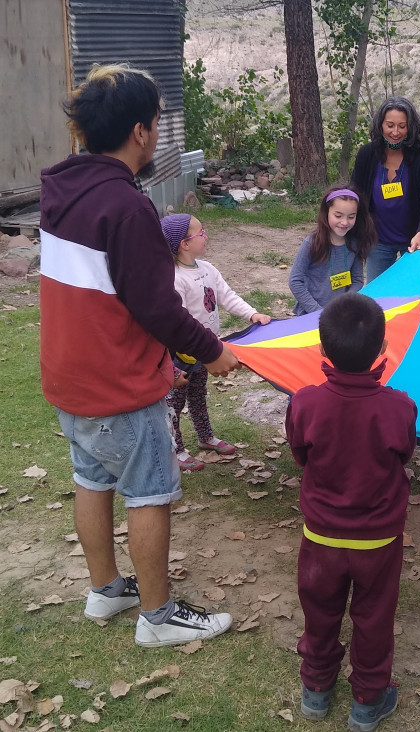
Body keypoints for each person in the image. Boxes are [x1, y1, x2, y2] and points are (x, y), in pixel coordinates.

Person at [39, 64, 240, 647]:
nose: (155, 133)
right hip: (118, 381)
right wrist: (211, 350)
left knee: (91, 479)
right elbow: (156, 307)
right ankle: (158, 616)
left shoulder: (61, 190)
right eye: (155, 123)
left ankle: (105, 590)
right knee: (150, 489)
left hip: (68, 377)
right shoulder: (127, 209)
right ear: (141, 132)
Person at [285, 293, 417, 732]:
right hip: (378, 540)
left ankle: (316, 691)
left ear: (322, 350)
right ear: (382, 350)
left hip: (320, 537)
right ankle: (367, 701)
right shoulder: (400, 407)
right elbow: (404, 456)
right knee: (374, 618)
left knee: (319, 612)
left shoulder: (304, 403)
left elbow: (301, 455)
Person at [160, 214, 271, 471]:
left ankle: (205, 437)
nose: (206, 235)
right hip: (182, 357)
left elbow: (227, 296)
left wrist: (252, 314)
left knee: (199, 396)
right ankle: (175, 449)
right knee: (174, 403)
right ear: (184, 244)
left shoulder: (208, 269)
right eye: (201, 233)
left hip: (206, 352)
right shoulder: (175, 279)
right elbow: (179, 321)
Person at [351, 97, 420, 282]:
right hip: (378, 239)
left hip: (414, 242)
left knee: (414, 295)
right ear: (380, 125)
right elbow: (355, 195)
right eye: (390, 125)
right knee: (379, 296)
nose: (396, 132)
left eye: (402, 126)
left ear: (411, 128)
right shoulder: (367, 154)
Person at [289, 184, 376, 316]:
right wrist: (317, 312)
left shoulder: (355, 244)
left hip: (339, 315)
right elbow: (295, 281)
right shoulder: (311, 243)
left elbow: (357, 279)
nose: (344, 222)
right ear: (326, 212)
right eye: (338, 215)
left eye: (351, 217)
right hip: (310, 315)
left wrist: (344, 304)